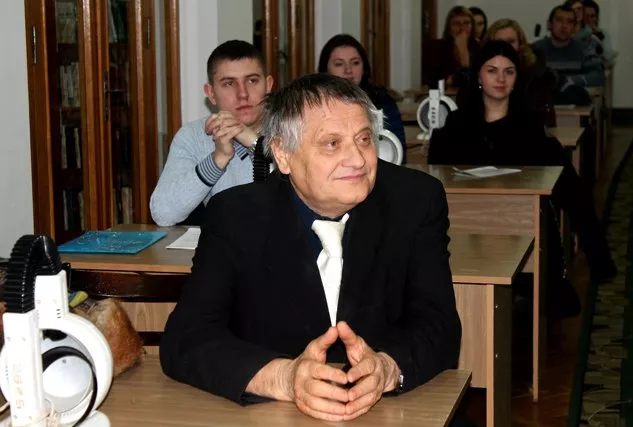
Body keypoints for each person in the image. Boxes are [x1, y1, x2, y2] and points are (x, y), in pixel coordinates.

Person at [160, 74, 462, 421]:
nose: (358, 160)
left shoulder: (415, 201)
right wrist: (282, 377)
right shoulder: (235, 215)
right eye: (332, 144)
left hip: (389, 414)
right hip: (273, 416)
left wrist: (388, 368)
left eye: (364, 139)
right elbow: (187, 337)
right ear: (283, 155)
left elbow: (438, 323)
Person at [428, 40, 616, 301]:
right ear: (479, 76)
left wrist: (599, 258)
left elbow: (574, 195)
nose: (501, 79)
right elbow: (436, 182)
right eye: (492, 70)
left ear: (517, 78)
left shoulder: (530, 126)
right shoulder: (457, 124)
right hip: (466, 229)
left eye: (509, 71)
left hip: (519, 229)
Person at [149, 40, 273, 226]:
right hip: (226, 243)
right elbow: (163, 214)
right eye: (229, 83)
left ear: (268, 85)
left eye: (252, 81)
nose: (243, 94)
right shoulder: (195, 136)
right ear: (211, 93)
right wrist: (218, 159)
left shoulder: (295, 128)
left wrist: (256, 144)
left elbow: (306, 203)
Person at [317, 34, 406, 163]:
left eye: (355, 63)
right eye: (339, 64)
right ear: (326, 69)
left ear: (364, 67)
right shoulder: (315, 105)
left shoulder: (382, 100)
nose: (348, 70)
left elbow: (400, 151)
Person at [481, 18, 557, 126]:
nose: (506, 46)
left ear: (520, 45)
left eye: (510, 42)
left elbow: (545, 120)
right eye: (499, 42)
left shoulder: (536, 78)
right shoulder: (479, 75)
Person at [533, 4, 605, 87]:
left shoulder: (585, 48)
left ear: (574, 27)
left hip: (574, 94)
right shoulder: (535, 49)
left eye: (569, 22)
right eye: (559, 20)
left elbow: (598, 76)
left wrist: (568, 81)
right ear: (549, 24)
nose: (564, 26)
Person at [422, 6, 480, 88]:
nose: (462, 28)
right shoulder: (435, 48)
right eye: (456, 24)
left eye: (466, 23)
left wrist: (463, 52)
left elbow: (475, 79)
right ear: (449, 29)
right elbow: (431, 79)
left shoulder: (478, 48)